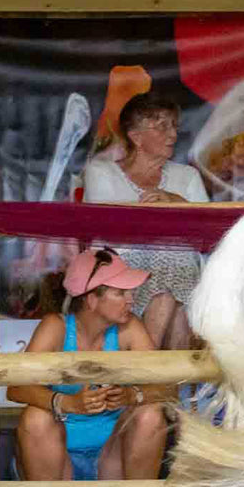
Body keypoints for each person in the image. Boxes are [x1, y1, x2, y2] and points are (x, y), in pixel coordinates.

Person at [6, 248, 171, 487]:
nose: (131, 299)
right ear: (91, 299)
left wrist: (131, 395)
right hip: (58, 460)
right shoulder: (55, 327)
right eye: (120, 292)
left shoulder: (128, 329)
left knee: (150, 413)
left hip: (113, 460)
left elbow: (168, 388)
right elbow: (15, 387)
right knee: (35, 416)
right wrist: (66, 403)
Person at [81, 92, 210, 350]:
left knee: (172, 274)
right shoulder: (101, 171)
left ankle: (148, 376)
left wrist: (178, 203)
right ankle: (161, 381)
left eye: (174, 126)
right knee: (172, 268)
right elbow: (103, 227)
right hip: (119, 269)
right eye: (162, 127)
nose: (172, 134)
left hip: (179, 270)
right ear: (136, 136)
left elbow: (207, 232)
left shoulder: (187, 176)